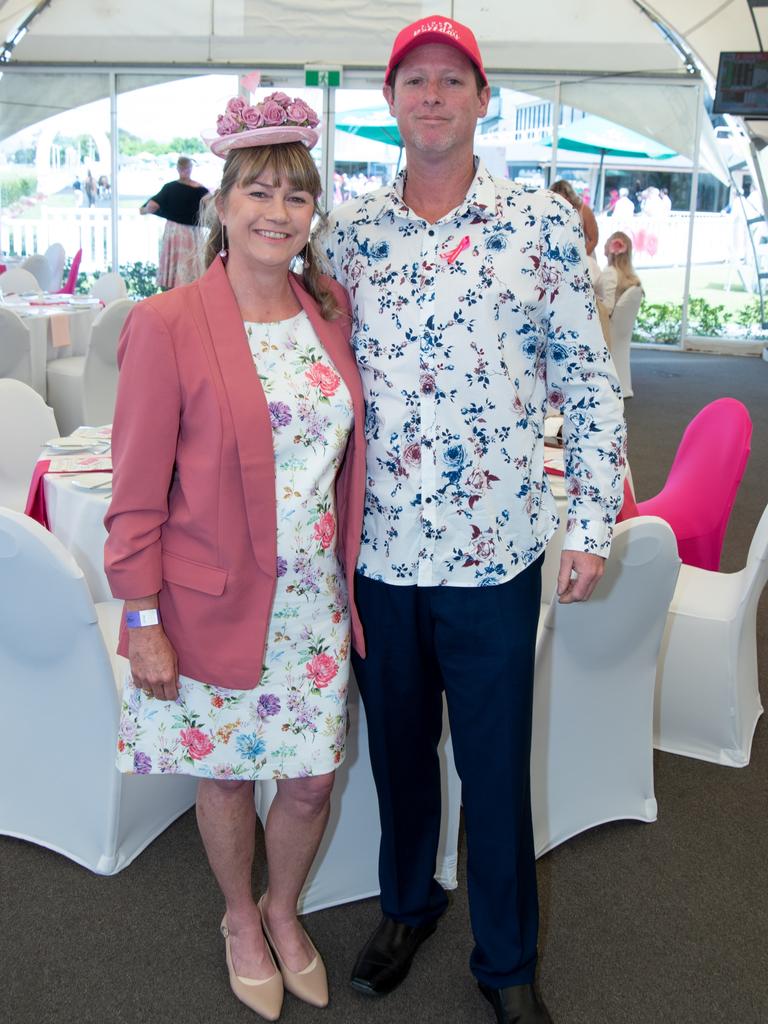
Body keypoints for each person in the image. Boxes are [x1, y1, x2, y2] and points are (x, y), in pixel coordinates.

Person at [322, 16, 626, 1024]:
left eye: (454, 79)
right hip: (380, 552)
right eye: (415, 80)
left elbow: (587, 382)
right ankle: (409, 904)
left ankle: (506, 961)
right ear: (392, 99)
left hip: (495, 551)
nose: (434, 95)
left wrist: (590, 520)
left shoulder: (537, 223)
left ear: (483, 98)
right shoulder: (351, 234)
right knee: (400, 754)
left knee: (495, 771)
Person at [104, 93, 366, 1021]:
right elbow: (133, 496)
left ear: (312, 214)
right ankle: (238, 920)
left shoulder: (324, 312)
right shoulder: (169, 324)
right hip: (211, 601)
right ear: (221, 202)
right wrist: (141, 620)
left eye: (295, 199)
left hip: (314, 606)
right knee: (226, 775)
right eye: (257, 192)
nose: (275, 213)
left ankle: (283, 908)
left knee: (309, 779)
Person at [140, 156, 209, 289]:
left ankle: (173, 295)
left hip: (175, 231)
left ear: (178, 168)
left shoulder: (170, 188)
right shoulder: (201, 190)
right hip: (192, 232)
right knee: (191, 267)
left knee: (175, 265)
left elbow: (151, 206)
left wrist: (145, 210)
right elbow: (211, 207)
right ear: (190, 169)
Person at [593, 230, 643, 315]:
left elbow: (607, 309)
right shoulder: (627, 277)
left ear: (610, 247)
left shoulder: (610, 273)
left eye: (607, 241)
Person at [551, 179, 599, 255]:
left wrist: (581, 258)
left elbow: (594, 239)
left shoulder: (584, 210)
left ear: (570, 197)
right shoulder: (553, 211)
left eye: (562, 199)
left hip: (584, 257)